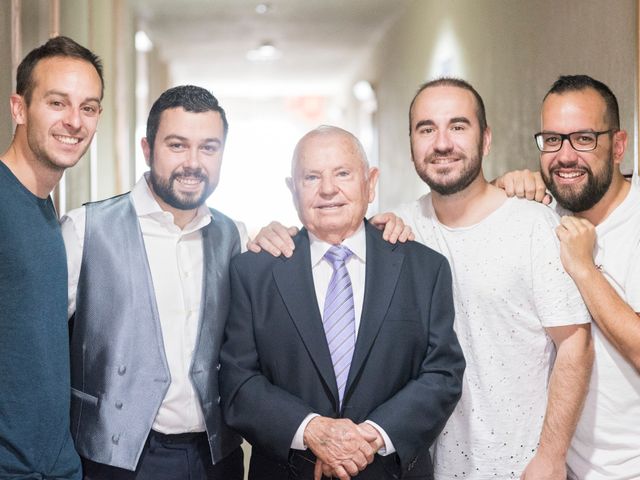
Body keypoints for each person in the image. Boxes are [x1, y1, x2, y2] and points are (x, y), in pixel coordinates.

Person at [250, 79, 594, 479]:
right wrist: (274, 234)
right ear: (411, 143)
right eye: (426, 129)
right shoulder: (398, 230)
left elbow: (575, 345)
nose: (442, 142)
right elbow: (326, 231)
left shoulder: (533, 224)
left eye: (458, 126)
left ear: (485, 140)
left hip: (520, 465)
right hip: (424, 463)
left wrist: (551, 457)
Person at [219, 125, 465, 480]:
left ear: (370, 182)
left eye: (343, 174)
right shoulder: (253, 272)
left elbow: (442, 373)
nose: (328, 189)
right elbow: (238, 381)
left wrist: (369, 437)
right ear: (292, 189)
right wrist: (313, 431)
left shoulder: (424, 268)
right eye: (311, 177)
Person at [61, 85, 245, 480]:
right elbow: (35, 346)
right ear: (147, 149)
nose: (193, 163)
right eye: (177, 145)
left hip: (217, 456)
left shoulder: (237, 237)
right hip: (114, 457)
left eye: (209, 148)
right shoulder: (84, 229)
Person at [497, 74, 640, 480]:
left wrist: (583, 267)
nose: (564, 155)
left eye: (583, 138)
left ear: (618, 145)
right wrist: (499, 188)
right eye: (552, 140)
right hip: (560, 468)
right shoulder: (542, 217)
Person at [0, 36, 103, 480]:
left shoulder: (44, 211)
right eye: (58, 103)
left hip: (53, 465)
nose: (74, 122)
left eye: (89, 107)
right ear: (19, 108)